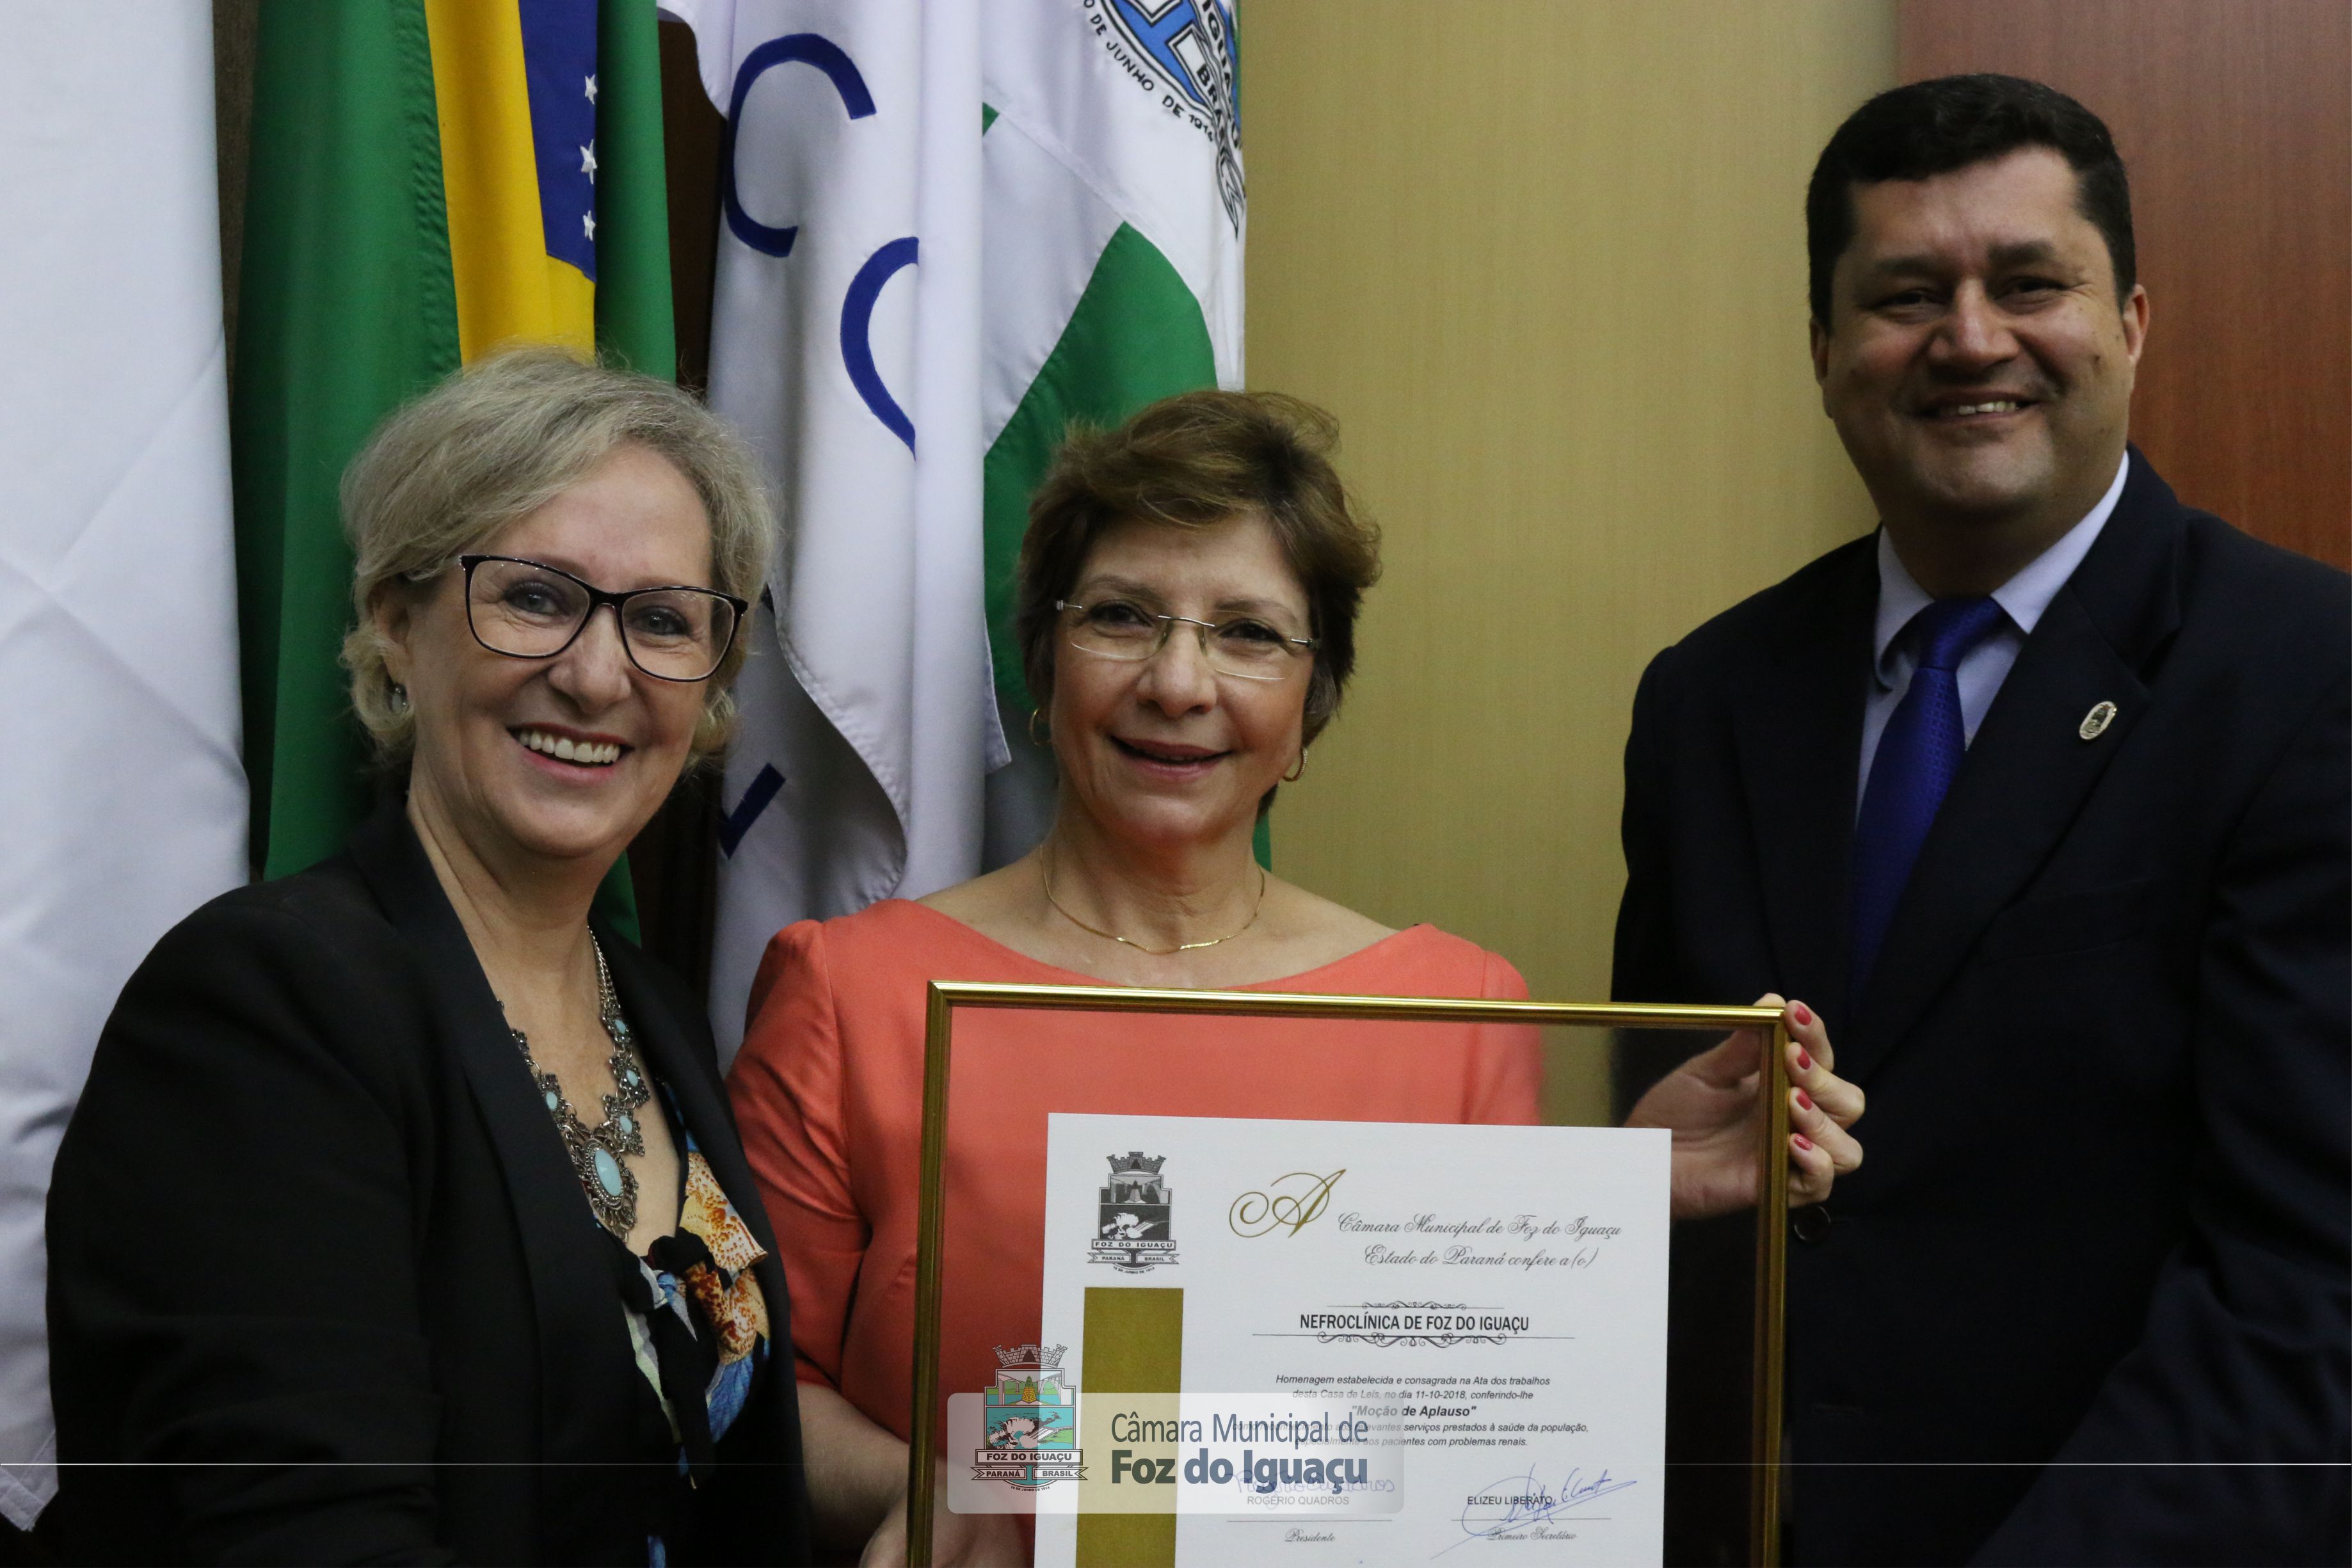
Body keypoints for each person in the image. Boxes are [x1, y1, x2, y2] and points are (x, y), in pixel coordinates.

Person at [728, 390, 1864, 1564]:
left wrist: (1620, 1194)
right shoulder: (852, 994)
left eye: (1249, 633)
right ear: (1043, 659)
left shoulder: (1455, 1012)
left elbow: (1461, 1427)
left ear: (1312, 707)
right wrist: (946, 1490)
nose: (1178, 682)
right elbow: (754, 1395)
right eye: (1121, 617)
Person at [1613, 74, 2349, 1565]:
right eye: (1903, 295)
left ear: (2128, 322)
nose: (1967, 339)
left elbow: (2308, 1288)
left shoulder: (2302, 677)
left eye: (2028, 283)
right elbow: (1674, 1194)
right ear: (1823, 352)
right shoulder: (1707, 699)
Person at [44, 351, 815, 1565]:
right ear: (397, 626)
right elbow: (301, 1539)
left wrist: (1024, 1463)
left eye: (664, 620)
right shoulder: (265, 1004)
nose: (597, 671)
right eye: (535, 596)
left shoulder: (649, 1008)